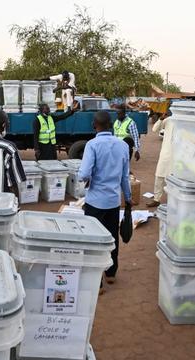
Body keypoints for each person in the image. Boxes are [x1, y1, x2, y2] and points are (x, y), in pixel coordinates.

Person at [79, 111, 132, 292]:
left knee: (93, 240)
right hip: (113, 201)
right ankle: (111, 273)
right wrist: (129, 198)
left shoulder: (92, 145)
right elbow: (125, 176)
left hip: (95, 201)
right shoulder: (123, 145)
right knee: (111, 237)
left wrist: (87, 179)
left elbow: (84, 174)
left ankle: (97, 283)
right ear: (110, 125)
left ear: (94, 125)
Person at [147, 111, 173, 207]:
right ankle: (156, 199)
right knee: (159, 176)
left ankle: (172, 201)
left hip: (177, 155)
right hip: (165, 153)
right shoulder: (168, 120)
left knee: (172, 179)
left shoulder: (184, 122)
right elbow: (154, 129)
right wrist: (161, 119)